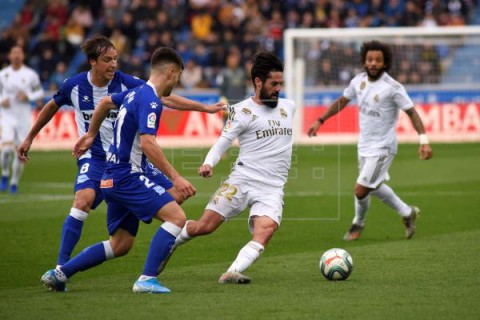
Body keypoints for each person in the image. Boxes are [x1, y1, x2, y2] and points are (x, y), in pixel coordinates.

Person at [17, 36, 223, 272]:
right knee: (83, 200)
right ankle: (61, 266)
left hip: (129, 161)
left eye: (115, 59)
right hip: (95, 158)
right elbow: (52, 106)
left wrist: (204, 107)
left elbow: (161, 95)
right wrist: (30, 137)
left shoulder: (126, 83)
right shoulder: (73, 86)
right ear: (92, 62)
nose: (113, 65)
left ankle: (153, 229)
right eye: (107, 60)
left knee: (176, 196)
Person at [41, 47, 194, 293]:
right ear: (172, 72)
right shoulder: (150, 99)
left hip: (112, 177)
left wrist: (90, 135)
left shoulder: (134, 93)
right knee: (176, 217)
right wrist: (176, 176)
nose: (176, 83)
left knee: (121, 244)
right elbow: (147, 143)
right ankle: (146, 279)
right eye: (177, 77)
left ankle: (61, 273)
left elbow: (103, 104)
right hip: (128, 176)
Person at [170, 51, 295, 284]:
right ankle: (168, 244)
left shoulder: (290, 107)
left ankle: (231, 272)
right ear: (258, 82)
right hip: (242, 180)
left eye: (281, 83)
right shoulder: (241, 111)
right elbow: (222, 142)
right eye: (273, 84)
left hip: (272, 187)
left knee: (265, 230)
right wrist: (208, 162)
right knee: (204, 227)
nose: (279, 88)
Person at [307, 40, 433, 241]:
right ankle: (407, 212)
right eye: (370, 59)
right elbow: (342, 101)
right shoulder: (358, 81)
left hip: (383, 147)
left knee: (360, 189)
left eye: (378, 60)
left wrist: (423, 140)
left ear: (385, 63)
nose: (373, 63)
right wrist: (320, 120)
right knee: (373, 187)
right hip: (363, 146)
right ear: (364, 61)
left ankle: (358, 223)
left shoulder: (393, 87)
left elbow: (412, 112)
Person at [0, 45, 44, 193]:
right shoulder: (3, 74)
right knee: (6, 150)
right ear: (10, 56)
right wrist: (2, 100)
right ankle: (5, 174)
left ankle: (14, 182)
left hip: (24, 118)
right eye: (14, 53)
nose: (17, 55)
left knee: (20, 152)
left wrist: (28, 96)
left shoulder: (30, 74)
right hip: (7, 116)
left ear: (23, 56)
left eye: (19, 53)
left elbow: (40, 92)